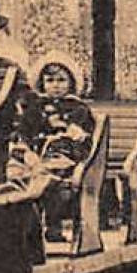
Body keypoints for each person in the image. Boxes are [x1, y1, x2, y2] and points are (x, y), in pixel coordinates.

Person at [15, 52, 97, 243]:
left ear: (70, 82)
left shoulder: (78, 108)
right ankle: (24, 231)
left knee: (51, 180)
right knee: (17, 175)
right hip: (36, 156)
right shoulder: (35, 106)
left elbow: (84, 138)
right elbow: (24, 133)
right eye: (50, 80)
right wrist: (27, 151)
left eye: (61, 80)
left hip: (64, 156)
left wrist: (74, 132)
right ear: (42, 83)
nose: (55, 85)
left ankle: (53, 227)